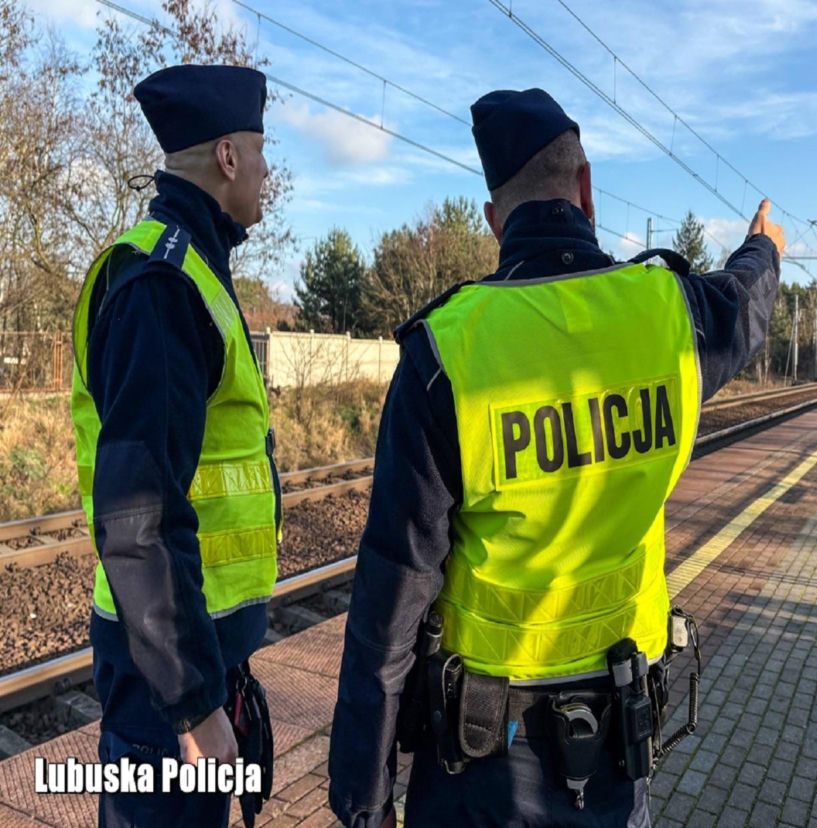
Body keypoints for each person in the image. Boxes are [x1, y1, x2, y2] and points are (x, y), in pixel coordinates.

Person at [328, 87, 785, 828]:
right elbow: (746, 301)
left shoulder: (446, 353)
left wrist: (363, 795)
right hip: (616, 751)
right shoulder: (670, 315)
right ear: (586, 187)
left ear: (492, 220)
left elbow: (390, 600)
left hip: (477, 767)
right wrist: (764, 243)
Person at [69, 64, 280, 827]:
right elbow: (139, 517)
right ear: (227, 157)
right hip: (165, 666)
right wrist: (194, 705)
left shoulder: (195, 271)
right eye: (260, 150)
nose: (266, 170)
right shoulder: (163, 285)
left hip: (187, 645)